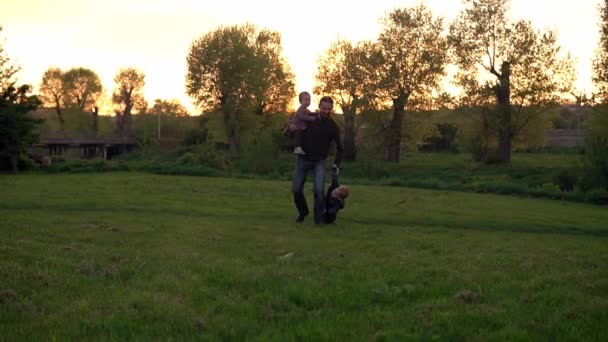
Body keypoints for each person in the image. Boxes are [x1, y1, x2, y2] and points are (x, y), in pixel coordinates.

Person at [292, 96, 343, 224]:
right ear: (319, 106)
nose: (326, 111)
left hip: (319, 161)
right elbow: (295, 128)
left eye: (329, 109)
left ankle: (319, 219)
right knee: (296, 189)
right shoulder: (309, 118)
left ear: (332, 109)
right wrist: (291, 130)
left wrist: (336, 164)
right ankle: (303, 211)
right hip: (303, 159)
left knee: (319, 191)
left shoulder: (333, 127)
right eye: (324, 108)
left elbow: (340, 148)